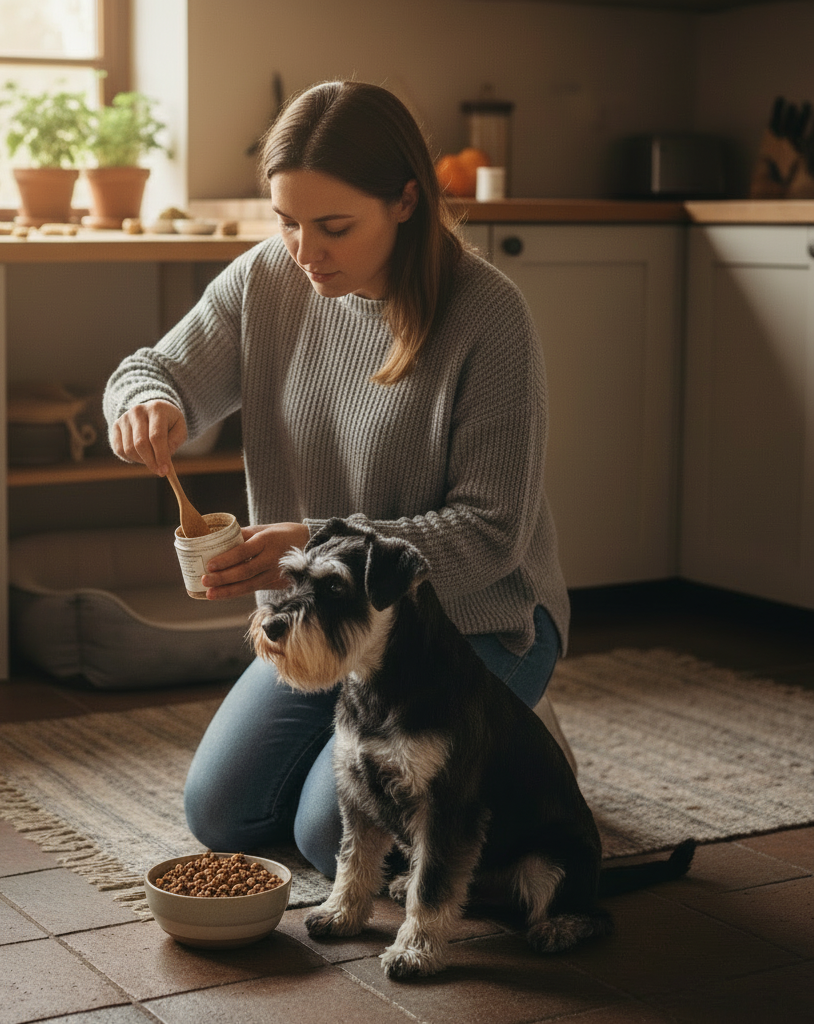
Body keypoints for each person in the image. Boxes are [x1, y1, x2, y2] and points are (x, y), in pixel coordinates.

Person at [103, 80, 570, 879]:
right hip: (328, 626)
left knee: (337, 839)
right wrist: (147, 402)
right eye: (285, 222)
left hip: (470, 624)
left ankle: (515, 744)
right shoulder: (267, 282)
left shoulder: (489, 317)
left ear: (406, 202)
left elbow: (490, 536)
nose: (305, 251)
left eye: (334, 227)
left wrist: (315, 541)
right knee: (222, 814)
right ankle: (453, 751)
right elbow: (151, 370)